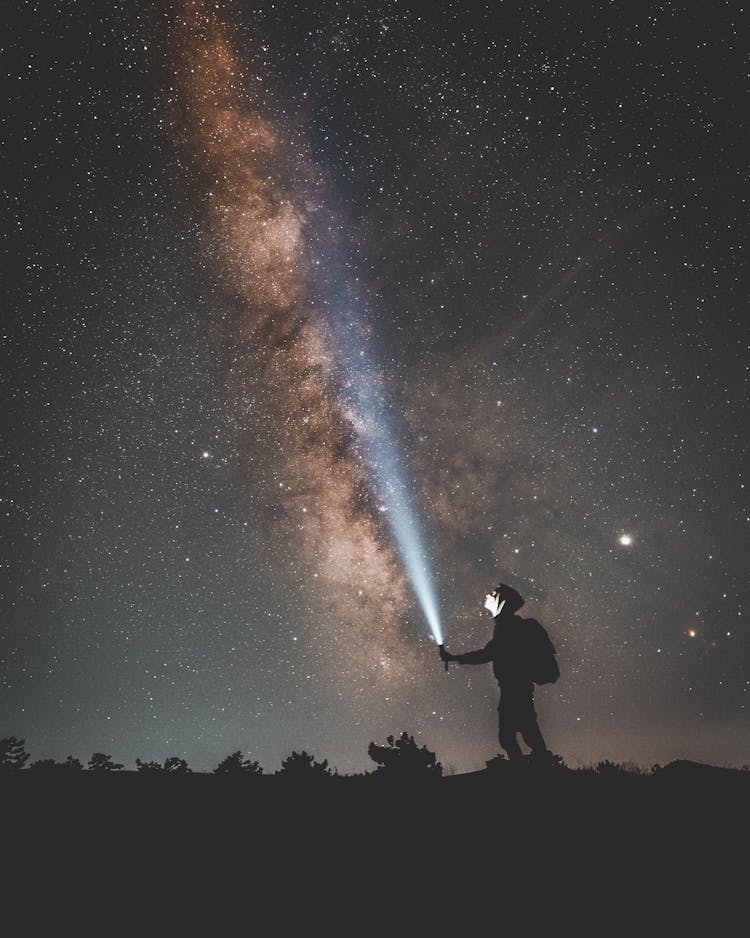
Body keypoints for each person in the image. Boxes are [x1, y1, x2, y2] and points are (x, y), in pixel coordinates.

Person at [439, 584, 555, 763]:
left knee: (515, 732)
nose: (487, 596)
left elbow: (487, 653)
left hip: (515, 687)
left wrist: (453, 657)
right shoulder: (506, 625)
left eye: (492, 594)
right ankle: (537, 762)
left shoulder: (508, 627)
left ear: (502, 602)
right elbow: (490, 652)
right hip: (514, 687)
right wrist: (454, 658)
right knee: (523, 729)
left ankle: (535, 766)